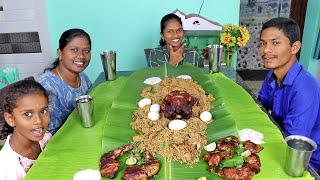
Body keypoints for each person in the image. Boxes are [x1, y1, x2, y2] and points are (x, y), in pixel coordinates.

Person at [258, 17, 320, 171]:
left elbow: (294, 142)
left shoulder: (305, 88)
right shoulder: (272, 75)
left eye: (275, 42)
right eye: (262, 43)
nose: (266, 50)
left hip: (306, 161)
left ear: (294, 47)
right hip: (281, 138)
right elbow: (260, 106)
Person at [39, 28, 92, 135]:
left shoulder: (83, 77)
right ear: (60, 53)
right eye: (74, 50)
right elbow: (50, 133)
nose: (81, 56)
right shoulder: (47, 87)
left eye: (86, 51)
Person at [0, 80, 51, 180]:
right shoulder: (6, 168)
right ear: (10, 119)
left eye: (43, 111)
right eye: (27, 114)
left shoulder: (45, 138)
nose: (39, 121)